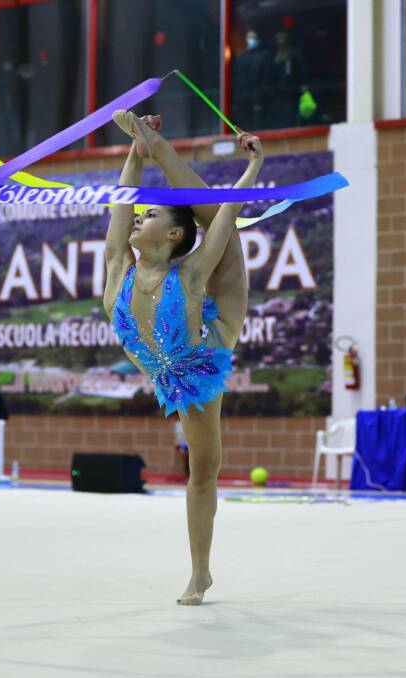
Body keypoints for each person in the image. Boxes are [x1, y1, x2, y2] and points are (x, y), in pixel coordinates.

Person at [104, 110, 261, 606]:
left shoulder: (189, 275)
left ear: (174, 235)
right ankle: (155, 141)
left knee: (204, 470)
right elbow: (120, 202)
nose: (138, 217)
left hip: (206, 350)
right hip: (168, 370)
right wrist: (135, 149)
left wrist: (252, 169)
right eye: (143, 212)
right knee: (203, 467)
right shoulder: (118, 272)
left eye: (151, 215)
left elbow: (225, 215)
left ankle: (200, 572)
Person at [231, 28, 272, 131]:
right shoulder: (241, 58)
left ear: (258, 39)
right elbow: (236, 77)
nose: (251, 40)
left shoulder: (264, 56)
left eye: (253, 37)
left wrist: (261, 93)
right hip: (242, 99)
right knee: (244, 126)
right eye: (249, 37)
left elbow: (267, 77)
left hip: (258, 98)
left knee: (258, 127)